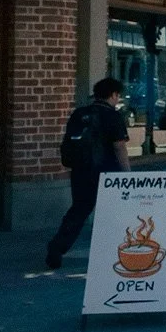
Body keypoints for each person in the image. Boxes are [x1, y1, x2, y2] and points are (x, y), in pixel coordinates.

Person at [47, 77, 131, 269]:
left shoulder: (80, 113)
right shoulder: (113, 116)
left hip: (81, 170)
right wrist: (127, 173)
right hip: (108, 172)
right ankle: (112, 251)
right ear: (113, 95)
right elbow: (119, 147)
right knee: (113, 214)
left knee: (79, 210)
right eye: (118, 95)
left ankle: (57, 247)